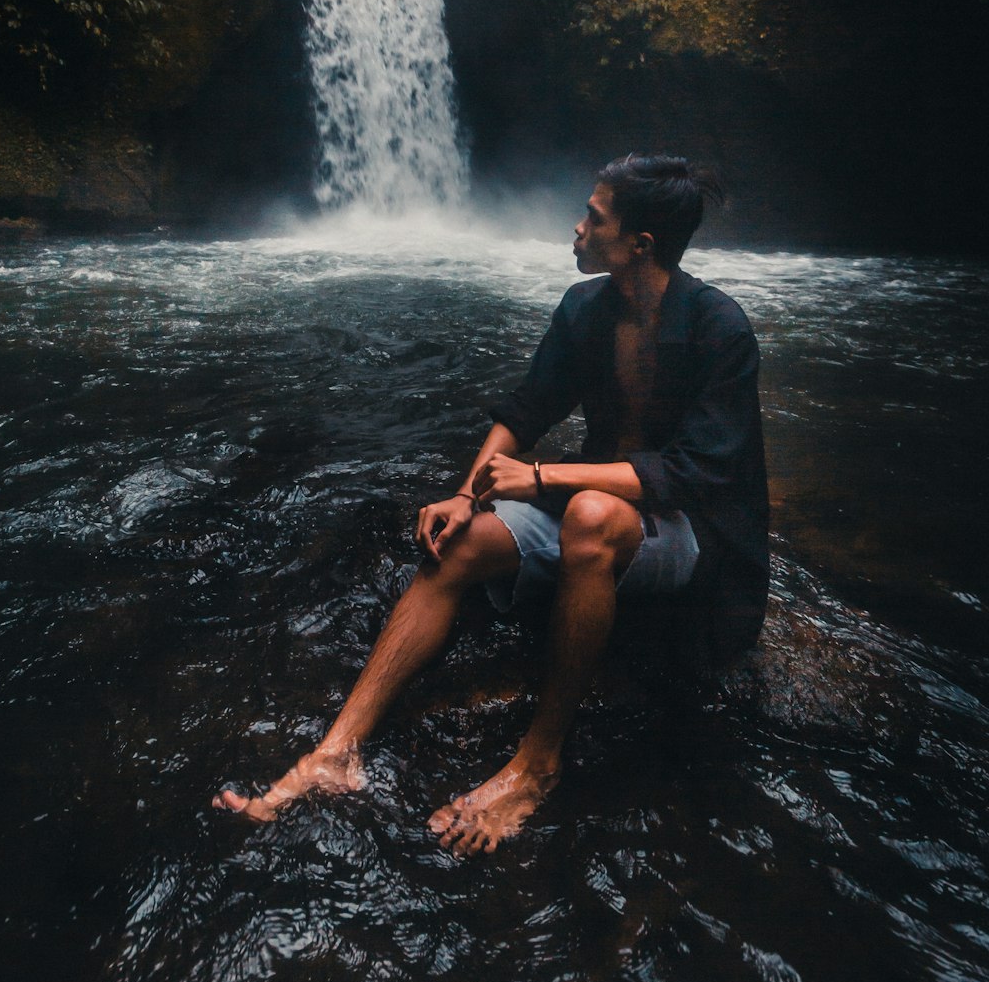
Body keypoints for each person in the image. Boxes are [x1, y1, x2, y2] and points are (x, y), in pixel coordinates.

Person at [214, 154, 769, 855]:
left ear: (640, 246)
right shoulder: (584, 309)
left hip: (689, 528)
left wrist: (539, 482)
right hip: (596, 499)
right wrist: (466, 493)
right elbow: (528, 409)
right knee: (465, 542)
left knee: (591, 517)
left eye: (594, 217)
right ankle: (336, 753)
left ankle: (538, 764)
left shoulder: (722, 329)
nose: (576, 226)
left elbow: (695, 474)